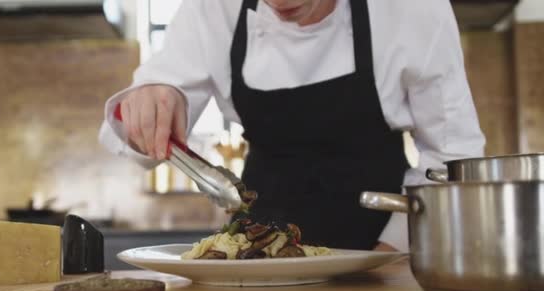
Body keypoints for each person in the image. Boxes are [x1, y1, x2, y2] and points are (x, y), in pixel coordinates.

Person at [99, 0, 485, 252]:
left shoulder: (413, 10)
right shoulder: (213, 8)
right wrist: (150, 103)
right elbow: (134, 124)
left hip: (382, 247)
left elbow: (453, 156)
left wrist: (396, 250)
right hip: (258, 253)